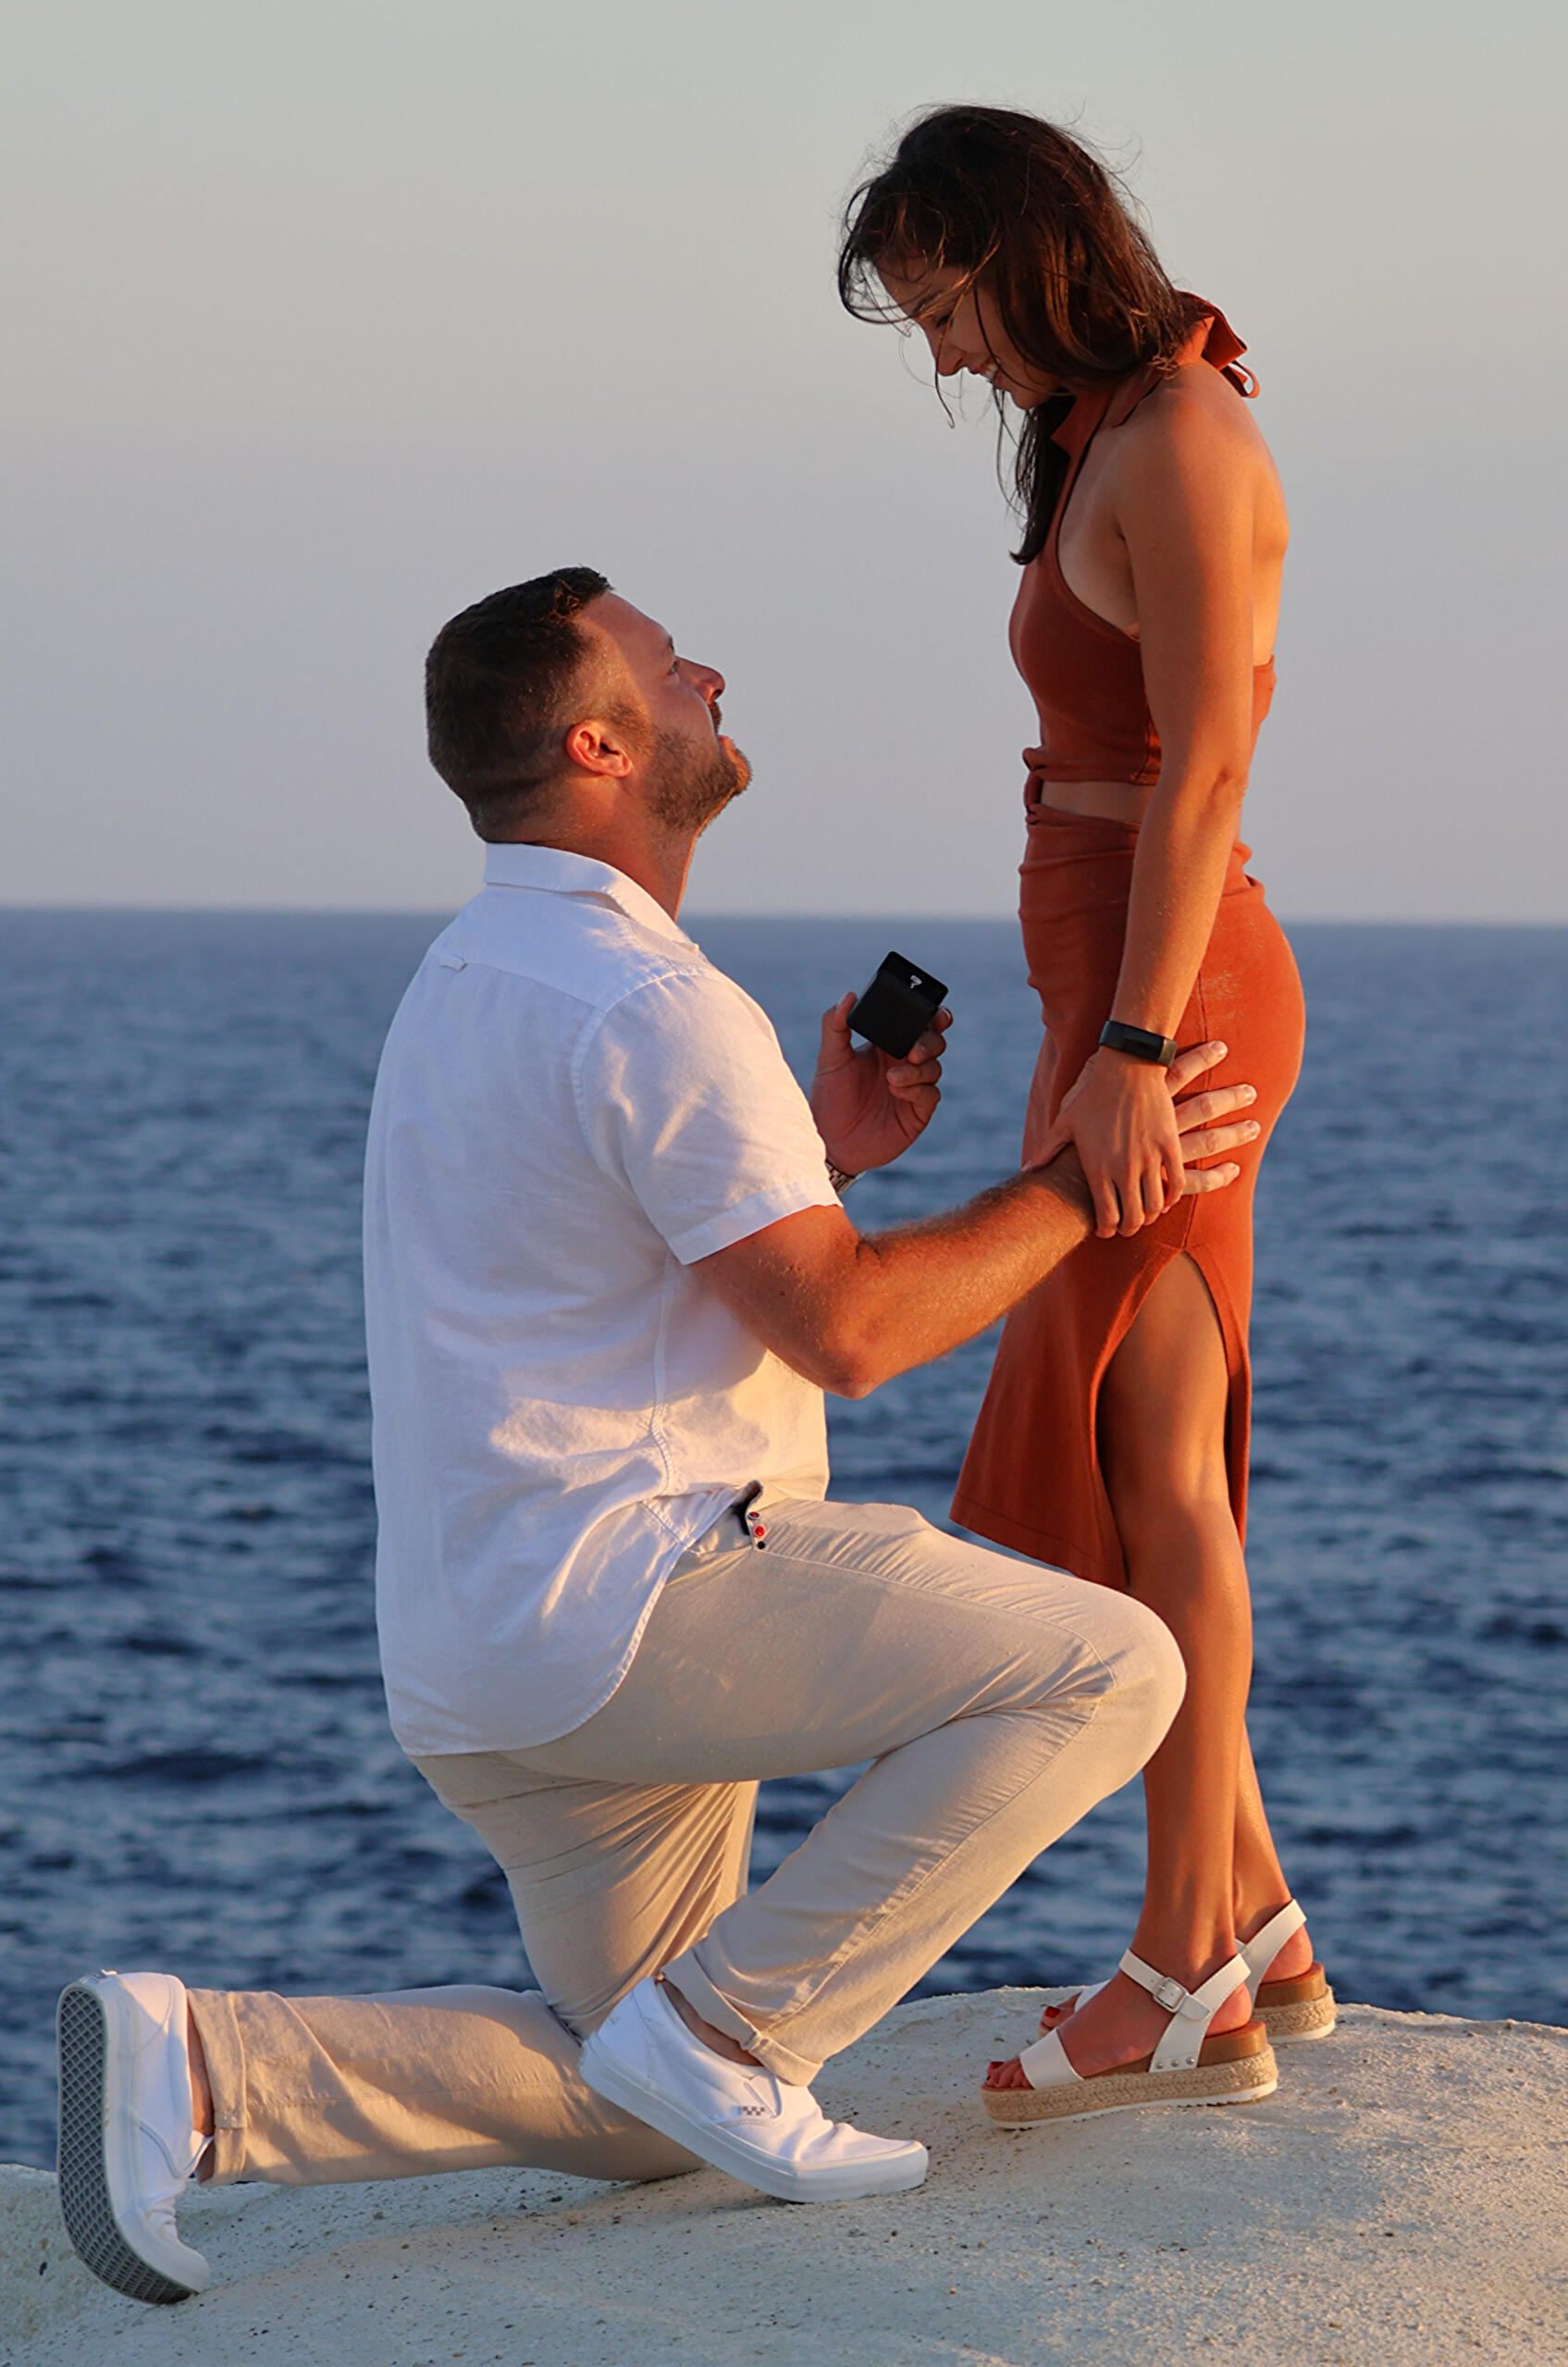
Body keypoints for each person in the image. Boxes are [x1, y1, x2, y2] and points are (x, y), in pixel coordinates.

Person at [56, 567, 1266, 2305]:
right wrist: (1083, 1183)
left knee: (641, 2105)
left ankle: (200, 2072)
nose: (708, 671)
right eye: (666, 662)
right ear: (601, 744)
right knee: (1115, 1665)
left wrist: (820, 1156)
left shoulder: (471, 971)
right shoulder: (650, 1001)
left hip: (488, 1669)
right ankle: (729, 2034)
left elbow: (613, 1269)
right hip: (634, 1609)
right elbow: (850, 1330)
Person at [838, 106, 1332, 2121]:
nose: (942, 352)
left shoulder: (1184, 438)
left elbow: (1205, 768)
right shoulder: (1102, 433)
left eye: (942, 303)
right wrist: (1090, 1028)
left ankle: (1183, 1962)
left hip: (1168, 1001)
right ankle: (1256, 1916)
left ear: (1022, 251)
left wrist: (1127, 1051)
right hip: (1107, 991)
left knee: (1157, 1477)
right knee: (1142, 1471)